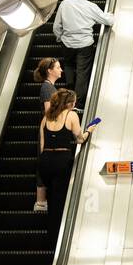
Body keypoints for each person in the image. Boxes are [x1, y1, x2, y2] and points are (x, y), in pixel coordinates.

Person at [38, 88, 94, 251]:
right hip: (61, 162)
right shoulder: (71, 115)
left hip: (45, 162)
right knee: (58, 202)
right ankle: (57, 242)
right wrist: (89, 130)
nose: (75, 105)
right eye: (74, 102)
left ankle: (50, 237)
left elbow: (42, 145)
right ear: (69, 103)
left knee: (52, 199)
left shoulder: (46, 117)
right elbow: (79, 139)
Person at [52, 0, 114, 111]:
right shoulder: (91, 6)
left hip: (67, 44)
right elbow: (108, 21)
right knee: (82, 73)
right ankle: (78, 104)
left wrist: (60, 38)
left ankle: (68, 92)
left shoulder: (64, 4)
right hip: (84, 45)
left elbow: (56, 27)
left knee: (68, 66)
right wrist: (110, 15)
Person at [33, 58, 62, 213]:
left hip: (49, 130)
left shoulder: (50, 87)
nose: (61, 70)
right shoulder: (47, 88)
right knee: (44, 163)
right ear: (50, 71)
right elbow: (48, 112)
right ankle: (41, 202)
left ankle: (43, 201)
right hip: (47, 131)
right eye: (58, 67)